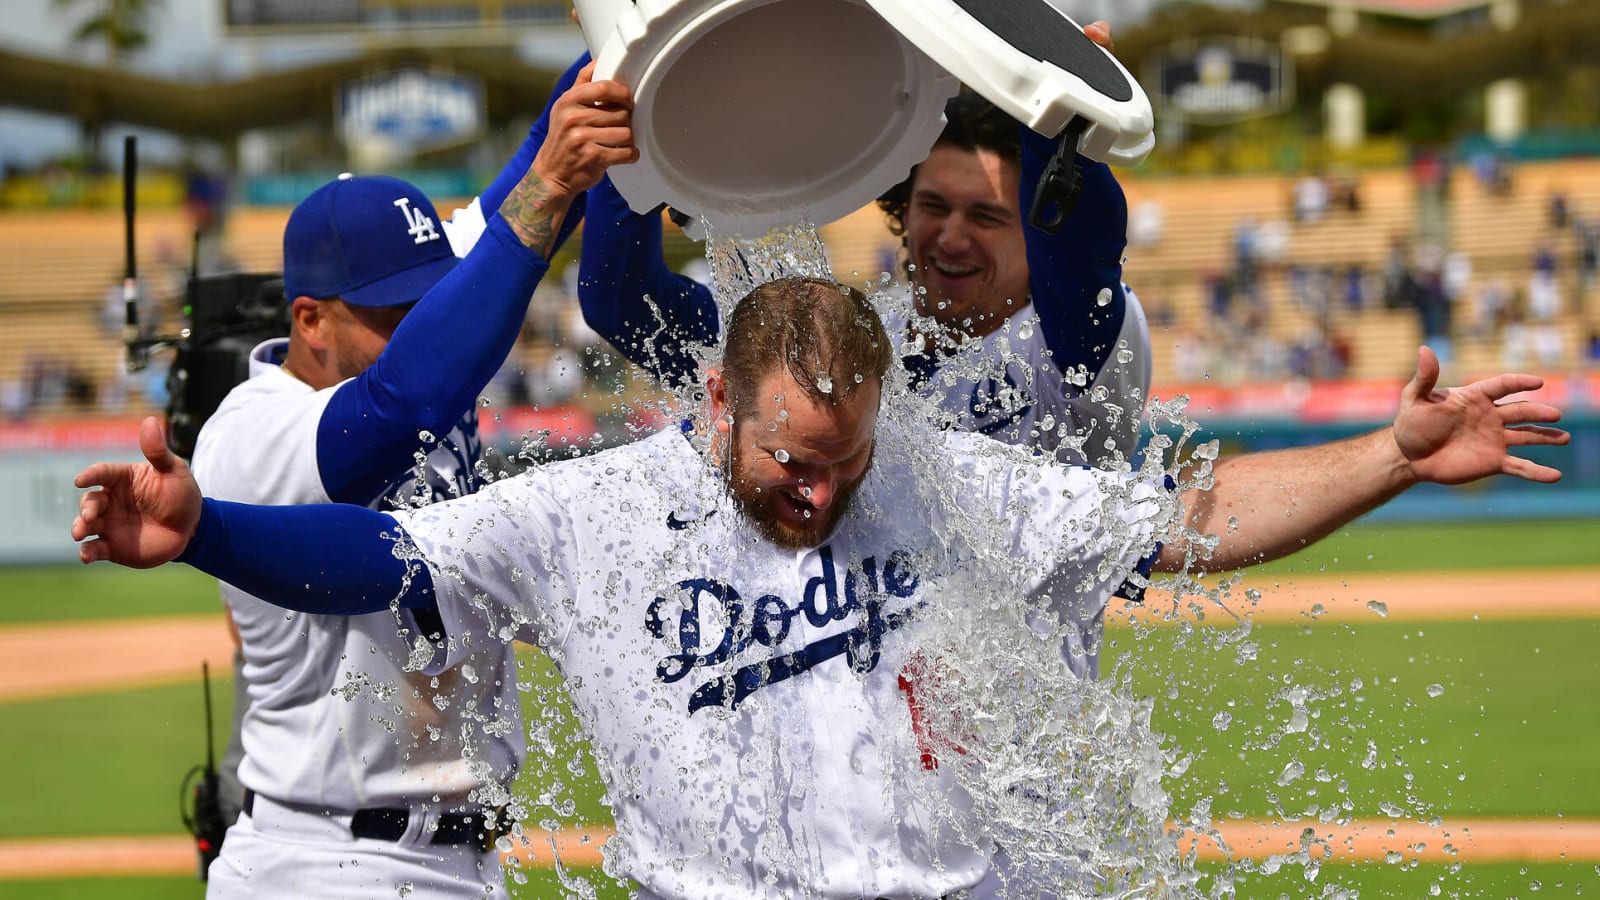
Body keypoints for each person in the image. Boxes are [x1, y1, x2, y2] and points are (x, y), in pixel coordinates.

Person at [74, 276, 1566, 897]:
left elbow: (1187, 517)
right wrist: (209, 531)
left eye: (844, 463)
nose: (820, 491)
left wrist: (1389, 454)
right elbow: (386, 560)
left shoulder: (935, 478)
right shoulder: (596, 511)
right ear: (718, 398)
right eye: (793, 459)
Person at [178, 64, 636, 897]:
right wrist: (549, 187)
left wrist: (625, 42)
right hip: (320, 859)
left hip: (465, 861)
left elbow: (540, 147)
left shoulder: (411, 311)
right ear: (309, 318)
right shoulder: (248, 432)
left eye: (431, 302)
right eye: (394, 314)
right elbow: (402, 406)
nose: (423, 324)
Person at [576, 20, 1151, 468]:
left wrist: (1055, 98)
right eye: (933, 206)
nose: (951, 236)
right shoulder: (856, 336)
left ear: (1036, 229)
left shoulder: (1076, 347)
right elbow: (626, 304)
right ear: (903, 211)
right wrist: (632, 67)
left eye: (985, 216)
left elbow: (1086, 249)